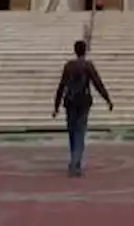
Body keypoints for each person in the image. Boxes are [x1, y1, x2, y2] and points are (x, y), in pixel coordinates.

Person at [52, 39, 113, 177]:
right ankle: (75, 162)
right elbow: (98, 84)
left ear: (75, 50)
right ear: (85, 51)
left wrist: (56, 106)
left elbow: (61, 86)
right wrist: (107, 99)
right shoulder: (88, 65)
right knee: (80, 131)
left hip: (70, 101)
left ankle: (74, 160)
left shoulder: (68, 66)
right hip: (83, 102)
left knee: (72, 132)